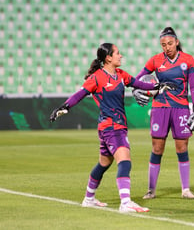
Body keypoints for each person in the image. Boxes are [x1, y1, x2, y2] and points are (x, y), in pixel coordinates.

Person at [49, 43, 172, 213]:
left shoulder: (121, 75)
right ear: (108, 58)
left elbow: (138, 84)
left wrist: (158, 86)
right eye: (117, 53)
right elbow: (80, 93)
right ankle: (125, 202)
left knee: (104, 163)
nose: (120, 56)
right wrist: (65, 107)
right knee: (125, 161)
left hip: (115, 126)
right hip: (111, 127)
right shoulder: (97, 77)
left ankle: (89, 198)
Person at [132, 27, 194, 199]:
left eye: (170, 43)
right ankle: (151, 190)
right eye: (163, 45)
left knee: (182, 147)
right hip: (160, 107)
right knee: (157, 148)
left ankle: (185, 189)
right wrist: (137, 90)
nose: (167, 47)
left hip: (181, 108)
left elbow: (193, 86)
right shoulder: (155, 60)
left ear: (177, 42)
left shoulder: (188, 60)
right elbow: (138, 79)